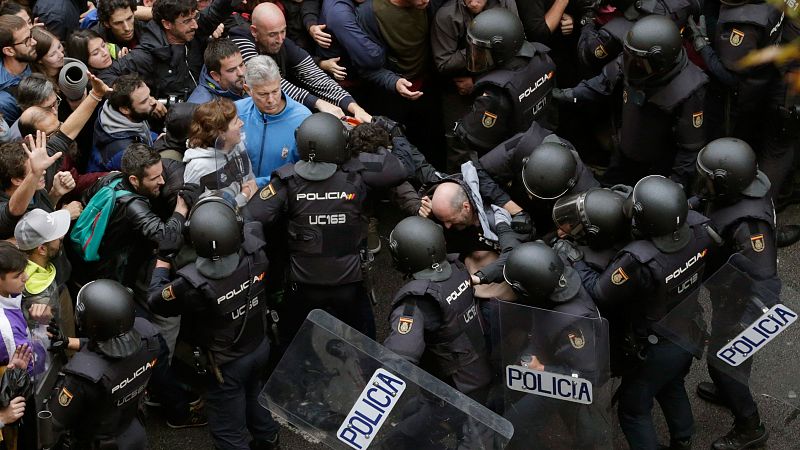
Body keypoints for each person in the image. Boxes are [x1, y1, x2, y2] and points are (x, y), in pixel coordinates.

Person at [576, 175, 719, 450]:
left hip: (656, 345)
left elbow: (600, 292)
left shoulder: (639, 259)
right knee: (671, 385)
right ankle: (683, 438)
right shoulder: (700, 227)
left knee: (633, 411)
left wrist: (573, 260)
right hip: (689, 329)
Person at [243, 112, 406, 343]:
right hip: (349, 285)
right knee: (365, 346)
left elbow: (249, 216)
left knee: (294, 344)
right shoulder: (357, 173)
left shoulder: (286, 182)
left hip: (303, 286)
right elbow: (397, 169)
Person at [147, 198, 280, 450]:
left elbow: (155, 299)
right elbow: (251, 222)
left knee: (228, 432)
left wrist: (163, 257)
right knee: (254, 396)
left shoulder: (191, 284)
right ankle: (269, 440)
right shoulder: (257, 251)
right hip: (259, 345)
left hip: (225, 365)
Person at [691, 138, 773, 450]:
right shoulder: (739, 190)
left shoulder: (750, 225)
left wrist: (744, 323)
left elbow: (763, 277)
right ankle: (729, 392)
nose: (703, 182)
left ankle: (750, 426)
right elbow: (710, 203)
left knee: (723, 362)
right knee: (729, 362)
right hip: (726, 292)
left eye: (708, 178)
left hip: (740, 304)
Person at [556, 16, 707, 187]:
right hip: (624, 151)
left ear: (661, 64)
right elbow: (600, 85)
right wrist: (565, 95)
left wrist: (675, 186)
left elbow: (689, 149)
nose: (630, 65)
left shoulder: (688, 89)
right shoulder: (635, 57)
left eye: (639, 63)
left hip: (657, 168)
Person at [381, 215, 493, 445]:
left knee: (394, 442)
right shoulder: (458, 270)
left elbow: (399, 357)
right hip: (478, 373)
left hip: (454, 394)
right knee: (411, 413)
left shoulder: (417, 300)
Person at [500, 241, 606, 449]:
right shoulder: (555, 277)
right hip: (548, 355)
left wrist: (542, 369)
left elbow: (586, 377)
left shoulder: (573, 323)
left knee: (514, 428)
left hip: (561, 378)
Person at [43, 279, 162, 450]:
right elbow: (113, 347)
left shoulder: (84, 375)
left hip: (100, 442)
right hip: (133, 428)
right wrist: (68, 342)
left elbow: (54, 421)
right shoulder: (149, 337)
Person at [229, 2, 371, 121]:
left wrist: (354, 107)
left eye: (283, 31)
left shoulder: (283, 43)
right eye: (272, 34)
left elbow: (315, 76)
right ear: (254, 31)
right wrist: (318, 103)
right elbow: (268, 80)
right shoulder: (240, 39)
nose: (280, 39)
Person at [452, 8, 557, 162]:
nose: (477, 57)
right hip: (546, 142)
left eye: (482, 52)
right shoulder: (543, 60)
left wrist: (461, 126)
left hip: (512, 162)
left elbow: (474, 139)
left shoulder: (495, 94)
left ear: (501, 50)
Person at [478, 131, 600, 237]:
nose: (530, 196)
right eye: (530, 192)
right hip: (510, 197)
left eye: (534, 194)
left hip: (548, 217)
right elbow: (478, 170)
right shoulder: (525, 144)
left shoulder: (585, 197)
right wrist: (509, 205)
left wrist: (555, 234)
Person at [236, 55, 311, 187]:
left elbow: (307, 169)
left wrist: (259, 183)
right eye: (263, 94)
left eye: (275, 91)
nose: (271, 99)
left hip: (284, 198)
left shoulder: (303, 119)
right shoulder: (236, 112)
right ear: (248, 90)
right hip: (241, 196)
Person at [183, 98, 257, 207]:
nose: (242, 123)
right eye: (236, 122)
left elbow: (250, 179)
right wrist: (244, 196)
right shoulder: (198, 168)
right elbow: (203, 211)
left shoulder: (238, 145)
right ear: (221, 133)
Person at [90, 74, 165, 172]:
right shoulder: (123, 152)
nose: (153, 102)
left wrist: (156, 139)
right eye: (144, 101)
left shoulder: (113, 112)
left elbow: (139, 133)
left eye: (149, 95)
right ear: (125, 109)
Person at [15, 208, 72, 330]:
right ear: (42, 249)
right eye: (57, 237)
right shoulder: (38, 296)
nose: (61, 237)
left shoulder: (20, 263)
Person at [187, 38, 247, 104]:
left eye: (241, 65)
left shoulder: (253, 84)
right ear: (215, 75)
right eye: (232, 70)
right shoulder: (201, 106)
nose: (241, 73)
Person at [0, 14, 36, 124]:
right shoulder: (5, 100)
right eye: (26, 41)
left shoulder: (34, 55)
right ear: (9, 51)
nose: (34, 42)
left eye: (31, 35)